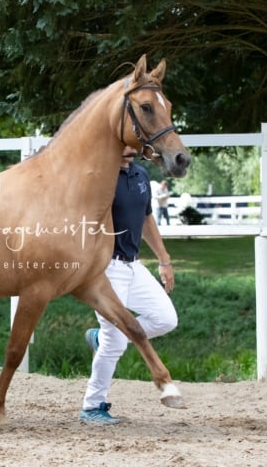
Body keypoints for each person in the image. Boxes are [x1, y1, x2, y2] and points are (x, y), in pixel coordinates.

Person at [79, 145, 178, 425]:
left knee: (166, 319)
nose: (128, 147)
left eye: (133, 143)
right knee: (115, 340)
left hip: (134, 265)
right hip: (106, 268)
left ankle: (100, 338)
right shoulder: (100, 177)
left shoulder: (141, 175)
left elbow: (147, 219)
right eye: (122, 142)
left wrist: (164, 260)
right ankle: (91, 406)